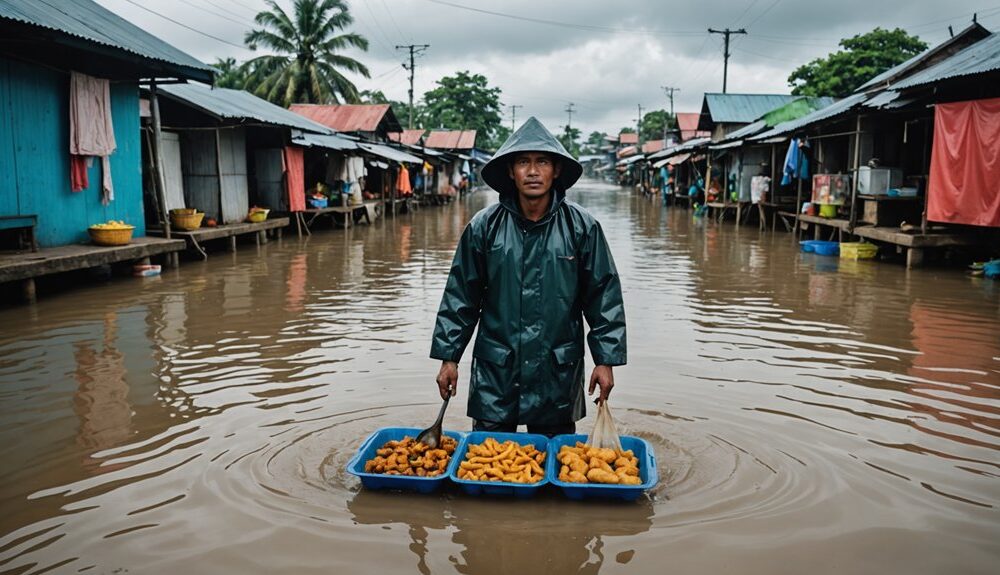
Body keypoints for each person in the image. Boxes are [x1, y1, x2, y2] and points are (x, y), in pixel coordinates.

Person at [430, 117, 627, 436]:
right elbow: (460, 297)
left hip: (555, 372)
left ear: (557, 170)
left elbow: (603, 297)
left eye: (542, 162)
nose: (533, 171)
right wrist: (448, 357)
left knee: (553, 466)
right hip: (497, 373)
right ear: (510, 170)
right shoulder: (484, 227)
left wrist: (605, 361)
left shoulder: (582, 228)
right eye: (523, 162)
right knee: (489, 467)